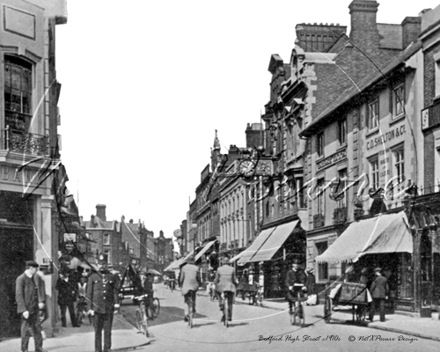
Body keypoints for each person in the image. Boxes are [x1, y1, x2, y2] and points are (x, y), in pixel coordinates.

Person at [87, 255, 120, 352]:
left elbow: (114, 292)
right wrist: (90, 308)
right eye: (100, 264)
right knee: (97, 331)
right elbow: (89, 294)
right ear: (97, 264)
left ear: (106, 264)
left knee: (108, 331)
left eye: (103, 264)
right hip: (96, 309)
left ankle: (107, 348)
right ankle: (97, 350)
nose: (102, 266)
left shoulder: (111, 276)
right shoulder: (92, 277)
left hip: (108, 308)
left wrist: (116, 304)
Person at [15, 260, 46, 352]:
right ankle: (24, 349)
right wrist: (23, 310)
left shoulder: (33, 278)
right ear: (31, 268)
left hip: (34, 308)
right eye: (35, 269)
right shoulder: (21, 279)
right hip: (26, 310)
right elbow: (19, 295)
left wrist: (39, 302)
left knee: (37, 328)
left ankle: (39, 348)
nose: (36, 270)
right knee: (25, 330)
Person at [214, 253, 237, 322]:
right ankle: (229, 317)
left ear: (223, 263)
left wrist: (215, 284)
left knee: (217, 292)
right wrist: (235, 284)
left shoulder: (219, 269)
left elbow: (216, 279)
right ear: (229, 263)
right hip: (230, 287)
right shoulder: (232, 269)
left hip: (221, 287)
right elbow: (234, 279)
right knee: (230, 302)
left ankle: (220, 302)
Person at [179, 255, 201, 322]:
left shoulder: (184, 268)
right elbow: (198, 278)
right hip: (194, 286)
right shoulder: (197, 268)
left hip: (186, 286)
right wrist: (199, 284)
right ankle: (193, 309)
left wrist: (180, 284)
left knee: (186, 300)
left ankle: (186, 314)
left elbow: (181, 279)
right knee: (193, 298)